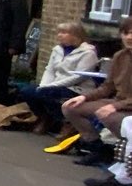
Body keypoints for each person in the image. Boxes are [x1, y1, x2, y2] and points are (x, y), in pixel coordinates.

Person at [62, 16, 132, 165]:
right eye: (125, 33)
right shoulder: (119, 56)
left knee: (110, 117)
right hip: (119, 102)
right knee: (70, 107)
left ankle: (125, 155)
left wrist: (114, 106)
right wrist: (84, 97)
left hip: (126, 107)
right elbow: (107, 87)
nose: (129, 37)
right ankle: (99, 149)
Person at [14, 22, 98, 134]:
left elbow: (79, 76)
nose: (59, 35)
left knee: (47, 93)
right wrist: (44, 85)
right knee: (27, 91)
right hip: (55, 85)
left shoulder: (88, 53)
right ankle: (45, 117)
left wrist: (51, 86)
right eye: (59, 32)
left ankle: (66, 121)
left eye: (64, 33)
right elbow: (50, 69)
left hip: (76, 88)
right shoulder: (57, 50)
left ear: (75, 35)